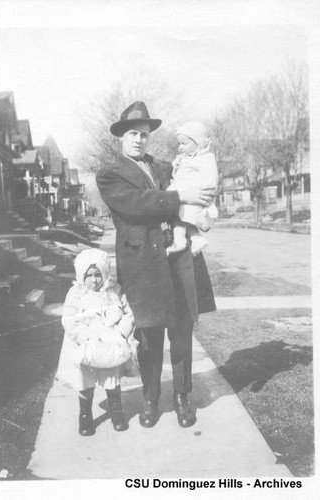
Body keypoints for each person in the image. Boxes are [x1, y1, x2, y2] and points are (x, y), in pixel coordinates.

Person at [96, 101, 216, 429]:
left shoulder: (167, 167)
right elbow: (138, 205)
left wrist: (200, 203)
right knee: (149, 337)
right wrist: (180, 198)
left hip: (178, 262)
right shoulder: (110, 175)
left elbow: (198, 184)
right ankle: (151, 399)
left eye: (145, 135)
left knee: (182, 331)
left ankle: (182, 396)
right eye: (133, 133)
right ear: (121, 137)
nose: (139, 140)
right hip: (143, 267)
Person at [56, 248, 135, 436]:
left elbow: (128, 314)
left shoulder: (114, 291)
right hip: (85, 344)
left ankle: (116, 411)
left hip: (110, 343)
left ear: (105, 273)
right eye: (89, 275)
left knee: (111, 377)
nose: (94, 280)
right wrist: (86, 337)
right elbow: (69, 320)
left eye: (98, 275)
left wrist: (121, 334)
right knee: (85, 380)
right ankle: (85, 414)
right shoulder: (76, 294)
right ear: (81, 275)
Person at [166, 121, 219, 256]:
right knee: (180, 216)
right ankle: (195, 239)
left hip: (196, 195)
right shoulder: (186, 159)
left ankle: (180, 241)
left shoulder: (206, 158)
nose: (180, 147)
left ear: (198, 143)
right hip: (186, 193)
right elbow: (179, 173)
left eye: (184, 143)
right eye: (179, 143)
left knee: (179, 215)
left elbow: (211, 180)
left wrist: (193, 188)